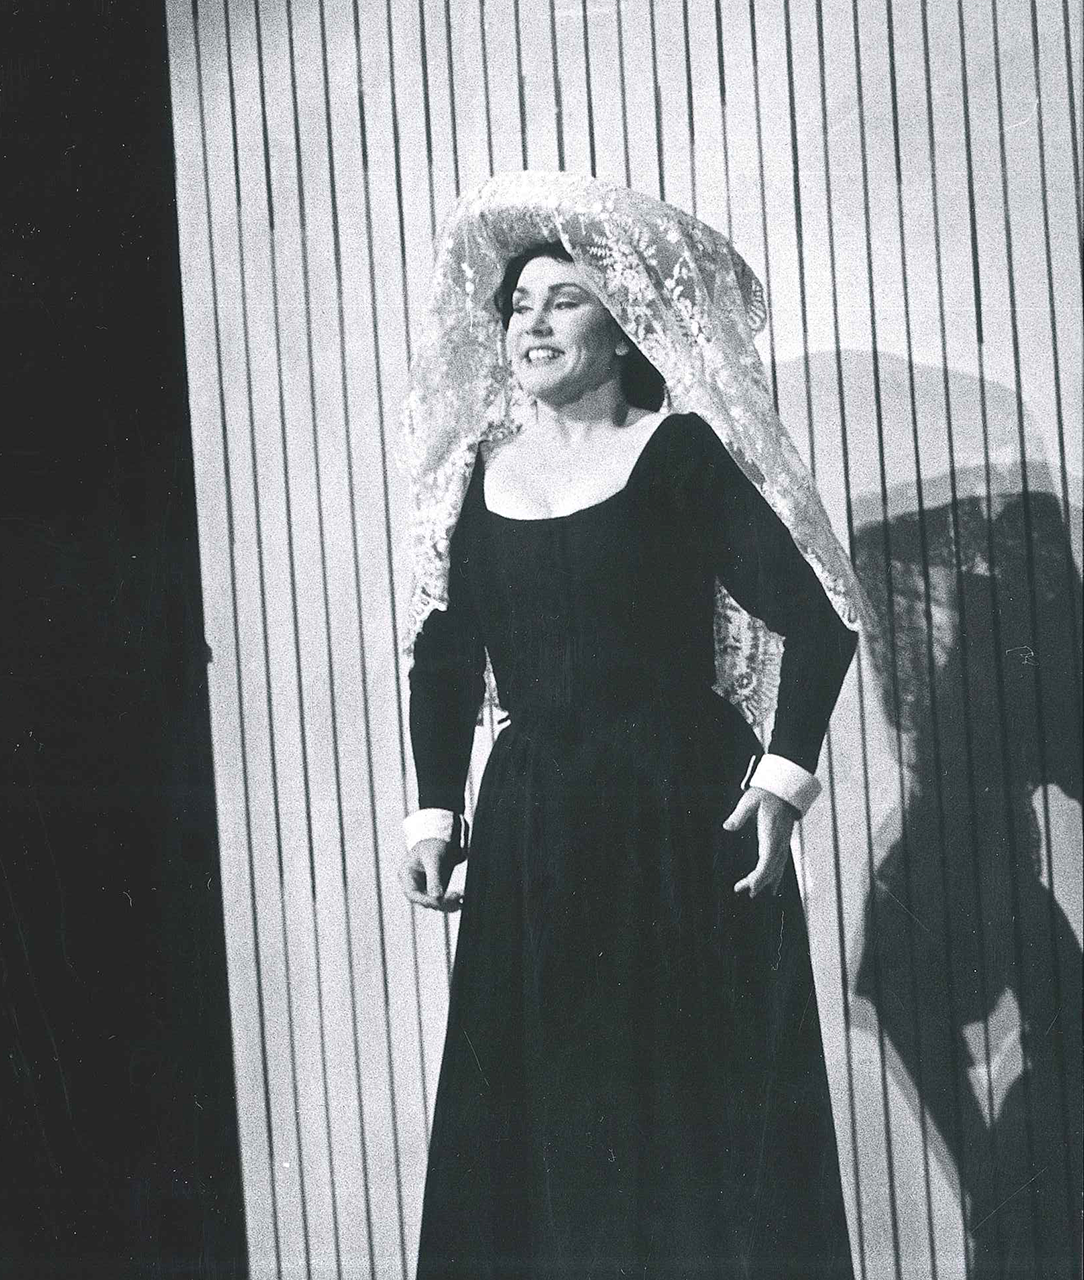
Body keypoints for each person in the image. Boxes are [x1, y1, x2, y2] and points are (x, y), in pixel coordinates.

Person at [399, 172, 875, 1277]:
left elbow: (823, 617)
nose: (533, 320)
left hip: (675, 816)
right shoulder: (477, 479)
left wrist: (782, 778)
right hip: (535, 830)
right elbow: (445, 647)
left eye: (564, 299)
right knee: (545, 1114)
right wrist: (434, 809)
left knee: (680, 1117)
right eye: (520, 303)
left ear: (624, 325)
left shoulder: (679, 452)